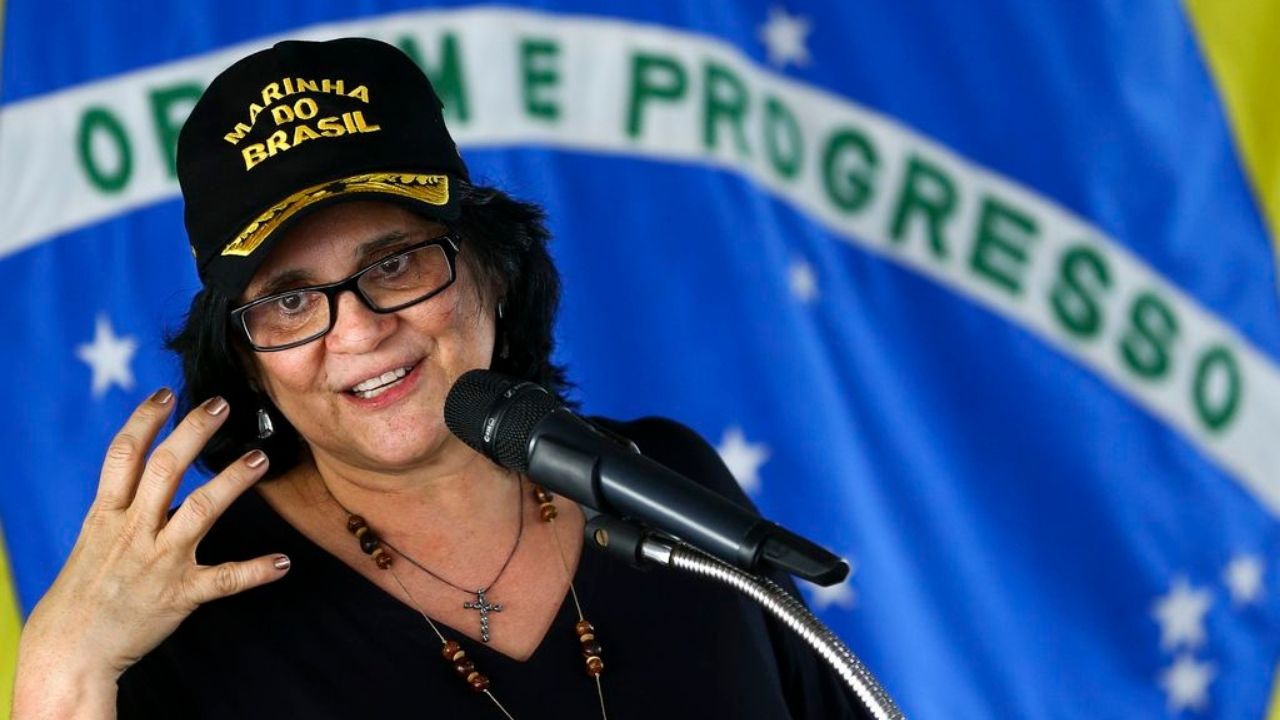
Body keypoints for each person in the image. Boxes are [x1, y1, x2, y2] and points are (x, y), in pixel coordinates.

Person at [12, 38, 866, 719]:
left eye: (395, 264)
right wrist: (60, 673)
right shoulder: (186, 611)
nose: (358, 328)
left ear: (494, 271)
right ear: (243, 359)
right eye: (289, 301)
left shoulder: (660, 475)